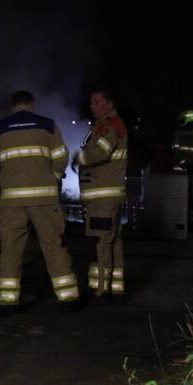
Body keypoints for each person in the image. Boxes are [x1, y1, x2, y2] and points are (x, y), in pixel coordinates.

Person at [0, 90, 80, 311]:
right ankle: (68, 298)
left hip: (11, 201)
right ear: (31, 104)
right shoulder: (48, 126)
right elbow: (61, 157)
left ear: (12, 106)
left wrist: (2, 181)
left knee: (11, 249)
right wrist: (52, 178)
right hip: (44, 199)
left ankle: (7, 300)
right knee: (54, 245)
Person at [74, 88, 129, 301]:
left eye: (96, 102)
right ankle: (114, 289)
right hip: (106, 197)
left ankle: (101, 290)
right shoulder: (108, 125)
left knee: (101, 243)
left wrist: (80, 158)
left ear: (108, 103)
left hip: (103, 199)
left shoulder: (109, 126)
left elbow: (100, 152)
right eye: (91, 102)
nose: (92, 106)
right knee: (112, 241)